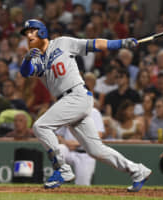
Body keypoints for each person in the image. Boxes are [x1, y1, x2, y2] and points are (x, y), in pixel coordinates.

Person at [19, 19, 151, 192]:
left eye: (32, 31)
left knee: (40, 126)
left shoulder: (63, 42)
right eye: (26, 33)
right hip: (68, 101)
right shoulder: (37, 59)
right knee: (96, 150)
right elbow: (25, 72)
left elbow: (95, 44)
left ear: (42, 31)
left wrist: (121, 43)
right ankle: (137, 170)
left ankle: (62, 169)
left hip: (77, 95)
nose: (28, 36)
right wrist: (27, 59)